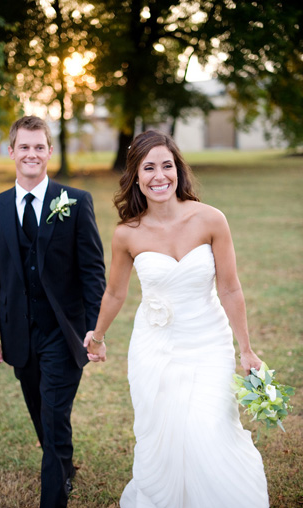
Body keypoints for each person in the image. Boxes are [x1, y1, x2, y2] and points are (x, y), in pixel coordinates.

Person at [85, 130, 269, 507]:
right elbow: (116, 293)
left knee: (209, 428)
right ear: (135, 176)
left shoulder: (211, 220)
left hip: (208, 341)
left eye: (166, 166)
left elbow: (231, 288)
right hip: (155, 348)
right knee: (164, 434)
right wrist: (98, 337)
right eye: (148, 168)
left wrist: (246, 350)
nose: (159, 176)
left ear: (178, 170)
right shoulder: (127, 234)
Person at [0, 115, 106, 508]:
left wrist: (95, 331)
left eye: (39, 147)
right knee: (38, 409)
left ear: (49, 152)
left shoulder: (76, 202)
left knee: (54, 418)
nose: (31, 154)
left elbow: (92, 271)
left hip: (64, 332)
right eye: (24, 147)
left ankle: (55, 493)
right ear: (11, 152)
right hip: (18, 332)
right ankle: (62, 464)